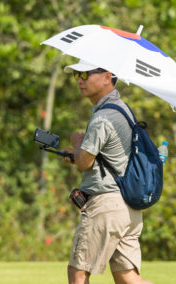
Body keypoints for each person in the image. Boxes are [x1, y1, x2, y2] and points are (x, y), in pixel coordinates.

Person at [62, 59, 153, 284]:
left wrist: (76, 145)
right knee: (129, 278)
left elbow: (85, 162)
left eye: (86, 74)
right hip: (128, 208)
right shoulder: (122, 109)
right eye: (77, 75)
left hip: (106, 205)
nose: (80, 81)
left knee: (78, 271)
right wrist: (77, 153)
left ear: (107, 76)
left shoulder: (103, 116)